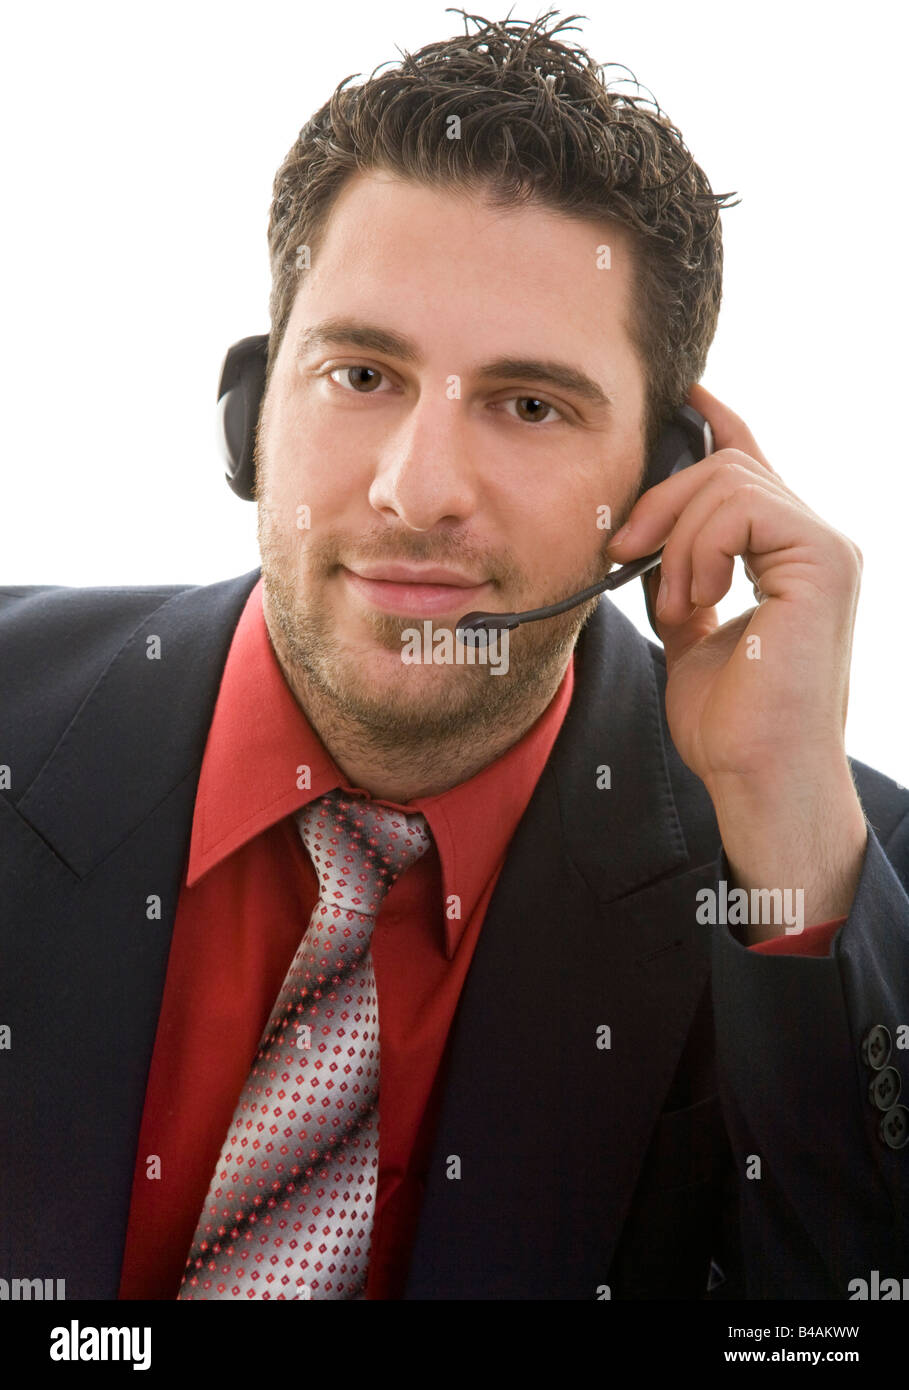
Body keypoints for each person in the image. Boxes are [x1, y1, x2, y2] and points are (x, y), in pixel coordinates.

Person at [1, 9, 907, 1303]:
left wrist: (782, 822)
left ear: (663, 477)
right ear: (254, 413)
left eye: (528, 404)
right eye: (362, 372)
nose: (417, 489)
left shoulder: (823, 876)